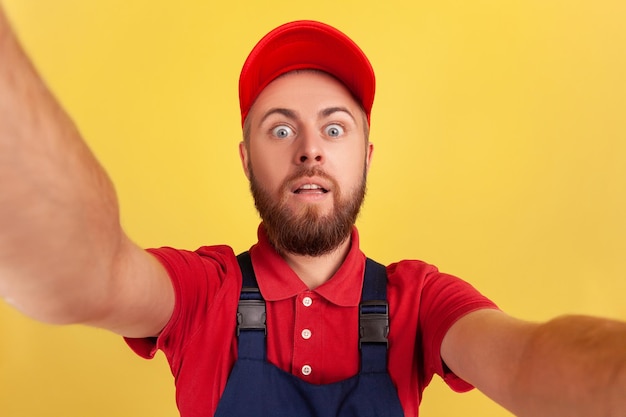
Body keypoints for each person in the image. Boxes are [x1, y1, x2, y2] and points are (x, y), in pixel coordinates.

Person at [1, 5, 625, 417]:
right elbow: (89, 275)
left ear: (366, 155)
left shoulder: (419, 301)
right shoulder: (202, 294)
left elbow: (526, 358)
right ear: (246, 159)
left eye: (334, 129)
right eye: (280, 131)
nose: (308, 151)